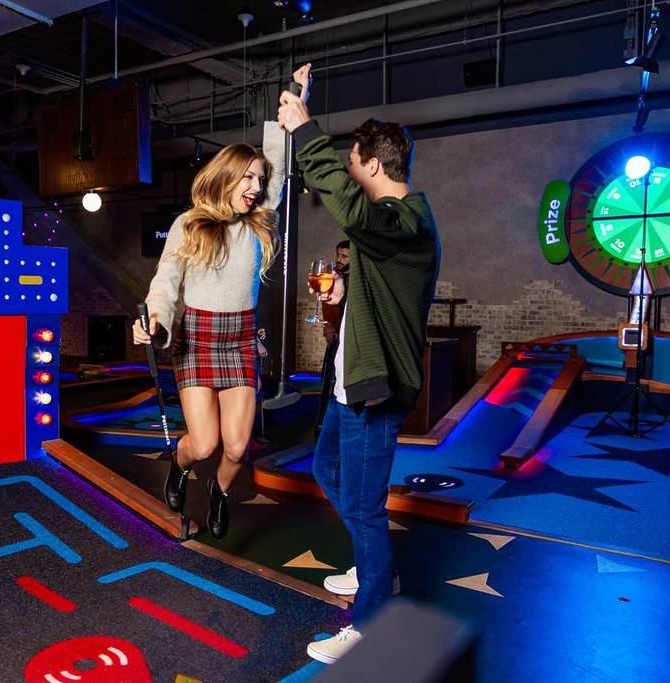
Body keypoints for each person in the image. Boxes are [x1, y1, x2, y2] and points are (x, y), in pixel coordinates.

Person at [279, 68, 441, 664]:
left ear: (372, 164)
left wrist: (304, 130)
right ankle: (376, 567)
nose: (347, 170)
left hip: (376, 392)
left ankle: (372, 614)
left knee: (367, 508)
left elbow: (349, 206)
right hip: (352, 386)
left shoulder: (405, 223)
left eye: (352, 160)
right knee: (327, 470)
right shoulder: (387, 232)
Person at [133, 73, 309, 539]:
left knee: (234, 449)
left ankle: (219, 493)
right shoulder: (189, 225)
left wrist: (293, 102)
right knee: (205, 442)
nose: (255, 187)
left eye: (260, 180)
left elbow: (275, 156)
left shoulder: (257, 224)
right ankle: (180, 464)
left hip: (239, 339)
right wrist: (155, 320)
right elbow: (166, 281)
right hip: (195, 338)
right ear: (227, 176)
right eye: (247, 178)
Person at [315, 240, 349, 432]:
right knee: (329, 378)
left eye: (344, 256)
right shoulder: (334, 276)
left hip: (350, 337)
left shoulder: (358, 279)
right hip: (336, 336)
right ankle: (323, 423)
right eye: (338, 255)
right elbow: (328, 304)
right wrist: (327, 325)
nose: (339, 259)